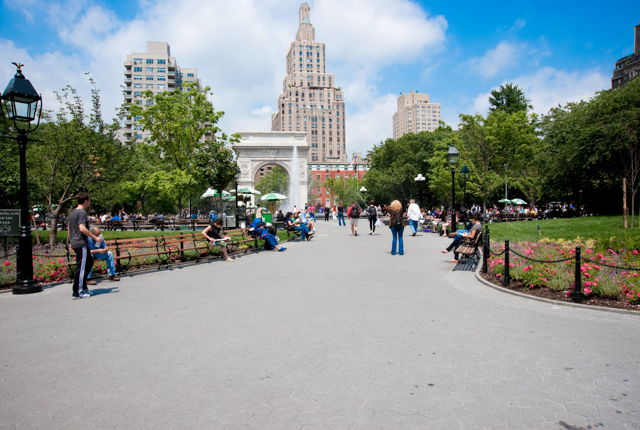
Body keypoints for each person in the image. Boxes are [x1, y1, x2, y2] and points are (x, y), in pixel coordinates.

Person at [69, 193, 102, 299]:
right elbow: (82, 228)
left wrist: (70, 241)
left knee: (89, 262)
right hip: (80, 243)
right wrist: (95, 237)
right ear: (86, 201)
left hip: (76, 241)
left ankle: (83, 287)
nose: (90, 202)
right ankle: (77, 292)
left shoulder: (73, 212)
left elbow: (69, 229)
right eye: (89, 200)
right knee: (81, 267)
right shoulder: (82, 212)